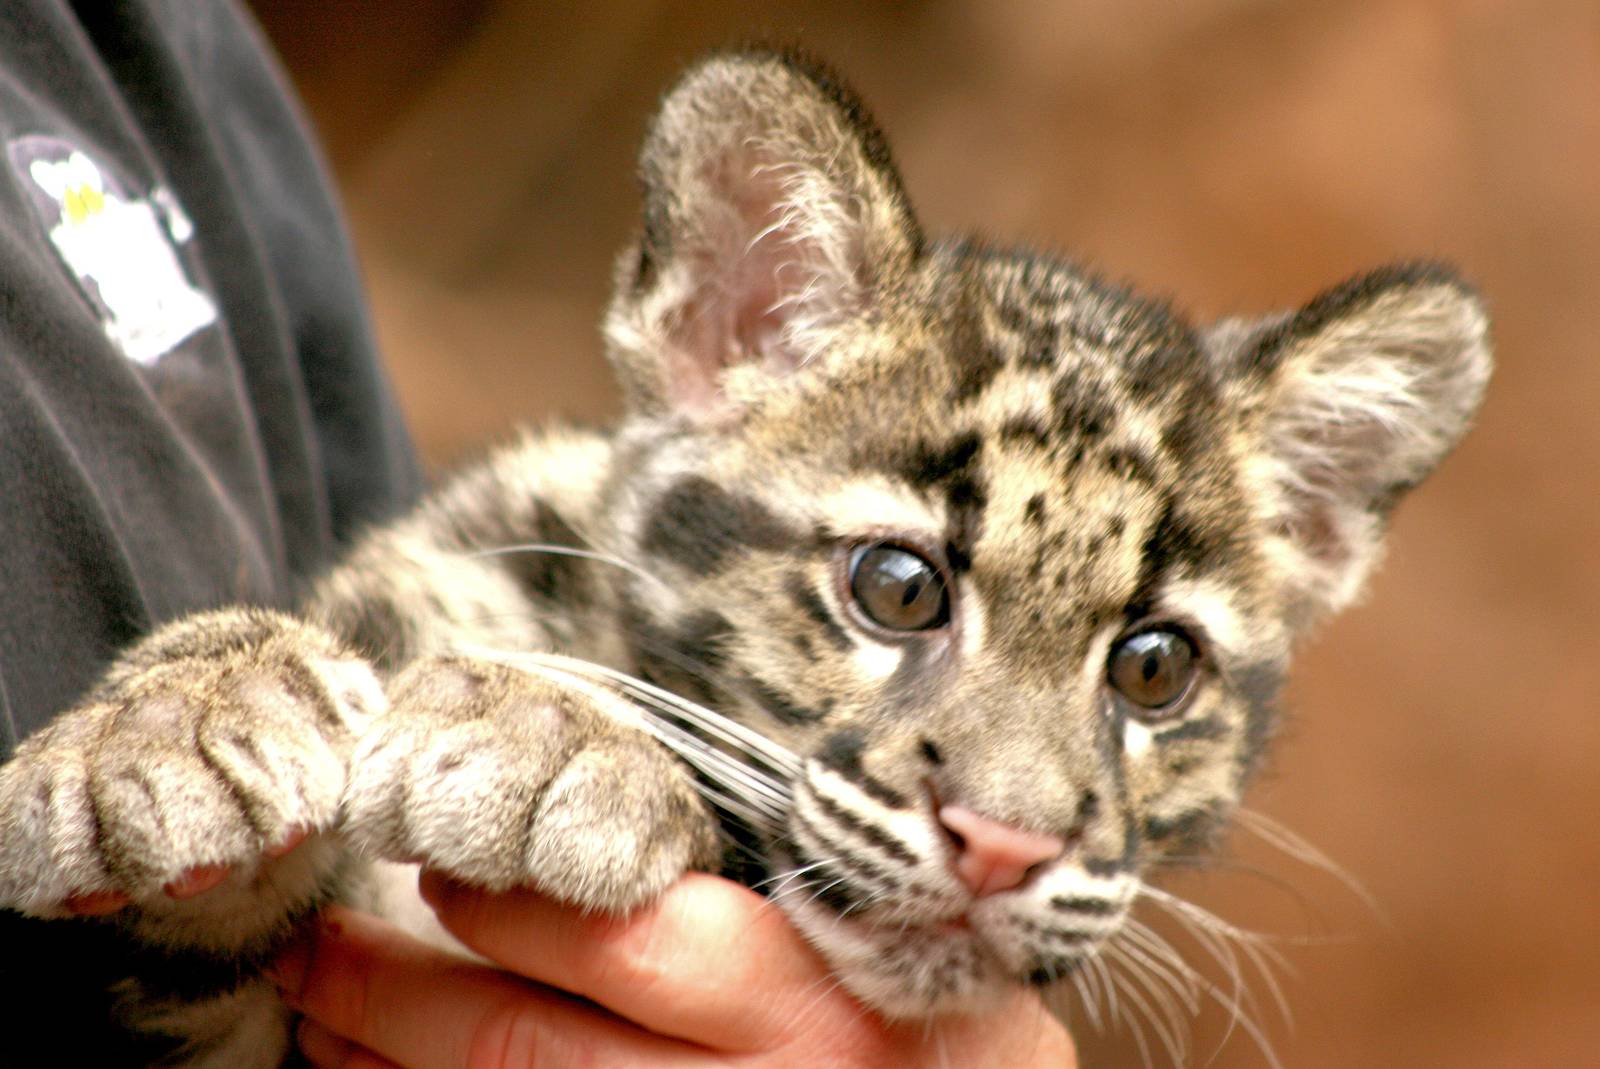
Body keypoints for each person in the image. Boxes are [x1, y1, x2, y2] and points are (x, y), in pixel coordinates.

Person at [0, 3, 1075, 1065]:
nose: (1018, 814)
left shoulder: (149, 44)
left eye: (1153, 670)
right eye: (899, 587)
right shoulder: (562, 551)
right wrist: (214, 693)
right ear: (720, 330)